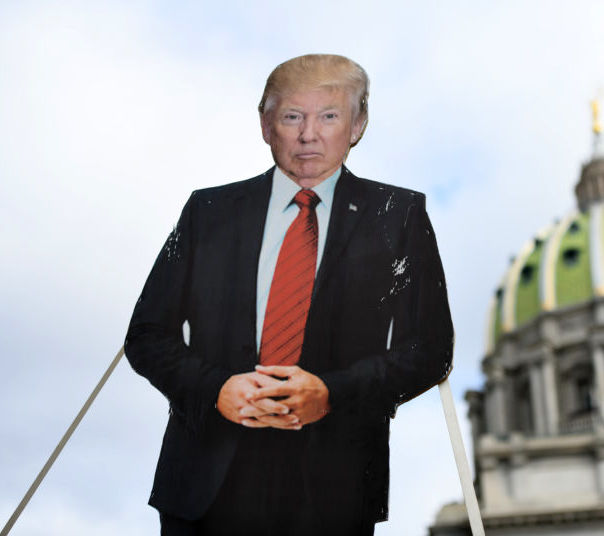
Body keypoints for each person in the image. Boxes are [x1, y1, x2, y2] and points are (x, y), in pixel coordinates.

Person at [125, 53, 453, 535]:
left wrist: (331, 394)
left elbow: (429, 350)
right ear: (265, 124)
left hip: (335, 488)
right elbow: (147, 335)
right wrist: (215, 389)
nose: (308, 135)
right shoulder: (207, 211)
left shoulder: (398, 216)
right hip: (203, 485)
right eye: (292, 116)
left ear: (357, 125)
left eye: (329, 116)